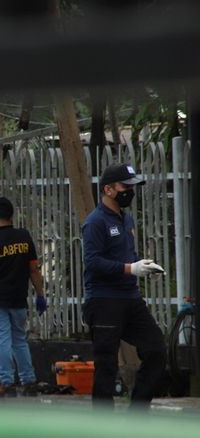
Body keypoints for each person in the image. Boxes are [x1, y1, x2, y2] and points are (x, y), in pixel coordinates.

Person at [82, 163, 166, 407]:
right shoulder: (95, 222)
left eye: (132, 186)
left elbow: (127, 255)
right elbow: (93, 262)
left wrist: (144, 267)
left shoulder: (126, 219)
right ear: (108, 189)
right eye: (125, 186)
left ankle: (138, 410)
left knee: (156, 350)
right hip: (104, 300)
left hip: (130, 298)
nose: (130, 191)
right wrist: (131, 268)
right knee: (106, 363)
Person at [0, 197, 46, 397]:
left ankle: (6, 382)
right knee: (19, 340)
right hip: (19, 299)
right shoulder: (23, 237)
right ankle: (29, 380)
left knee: (2, 341)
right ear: (12, 215)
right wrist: (40, 295)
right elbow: (34, 270)